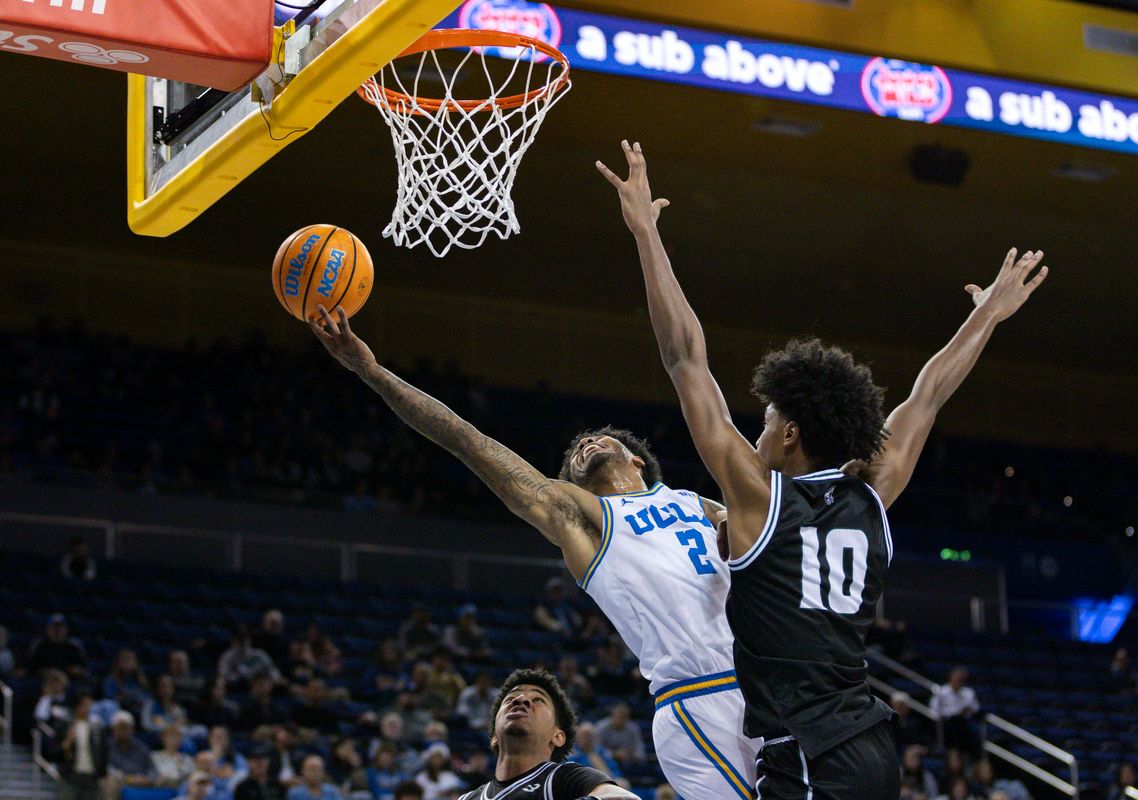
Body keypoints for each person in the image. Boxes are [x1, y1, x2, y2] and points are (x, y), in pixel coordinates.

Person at [597, 139, 1048, 800]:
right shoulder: (873, 492)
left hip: (806, 753)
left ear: (791, 432)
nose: (755, 432)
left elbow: (684, 359)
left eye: (765, 420)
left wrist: (646, 236)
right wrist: (987, 316)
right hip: (869, 743)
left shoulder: (758, 499)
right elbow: (926, 397)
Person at [312, 296, 760, 799]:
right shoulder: (588, 520)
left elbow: (769, 535)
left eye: (599, 440)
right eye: (572, 456)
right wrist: (373, 371)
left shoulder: (696, 503)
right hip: (700, 695)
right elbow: (468, 440)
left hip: (772, 673)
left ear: (636, 459)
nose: (583, 445)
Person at [457, 668, 636, 800]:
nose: (521, 699)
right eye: (511, 699)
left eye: (538, 699)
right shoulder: (468, 798)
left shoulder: (564, 778)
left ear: (557, 736)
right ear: (494, 736)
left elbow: (627, 799)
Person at [53, 691, 108, 800]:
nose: (88, 708)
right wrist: (67, 742)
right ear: (77, 706)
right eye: (85, 704)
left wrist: (103, 775)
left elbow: (103, 752)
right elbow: (54, 753)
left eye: (89, 704)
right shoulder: (64, 725)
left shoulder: (97, 726)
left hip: (92, 778)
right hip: (70, 777)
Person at [105, 710, 156, 800]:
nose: (123, 731)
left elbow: (151, 768)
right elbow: (106, 768)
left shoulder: (141, 747)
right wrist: (126, 778)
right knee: (111, 781)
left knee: (165, 780)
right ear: (113, 730)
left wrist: (146, 779)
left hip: (142, 781)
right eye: (120, 727)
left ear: (132, 729)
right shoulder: (107, 747)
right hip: (120, 781)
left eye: (126, 727)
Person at [931, 668, 981, 756]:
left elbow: (976, 708)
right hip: (946, 723)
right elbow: (934, 710)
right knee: (955, 721)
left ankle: (968, 751)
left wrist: (965, 710)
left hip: (965, 723)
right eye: (956, 677)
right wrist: (956, 712)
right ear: (950, 677)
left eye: (960, 678)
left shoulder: (968, 692)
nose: (958, 680)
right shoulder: (942, 691)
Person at [27, 613, 88, 679]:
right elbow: (30, 667)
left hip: (68, 683)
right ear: (47, 629)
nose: (58, 630)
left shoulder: (73, 646)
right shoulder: (40, 645)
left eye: (61, 627)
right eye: (54, 627)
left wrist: (77, 671)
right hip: (44, 681)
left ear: (66, 629)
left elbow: (84, 670)